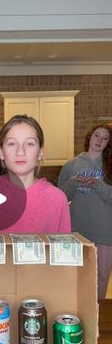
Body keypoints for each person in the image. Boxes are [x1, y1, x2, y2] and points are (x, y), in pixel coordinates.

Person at [58, 123, 112, 300]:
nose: (100, 141)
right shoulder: (71, 165)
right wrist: (73, 182)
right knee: (76, 276)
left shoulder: (109, 166)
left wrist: (98, 185)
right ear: (89, 137)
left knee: (102, 276)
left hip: (105, 230)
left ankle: (97, 312)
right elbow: (60, 198)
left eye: (105, 138)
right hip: (78, 229)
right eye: (97, 135)